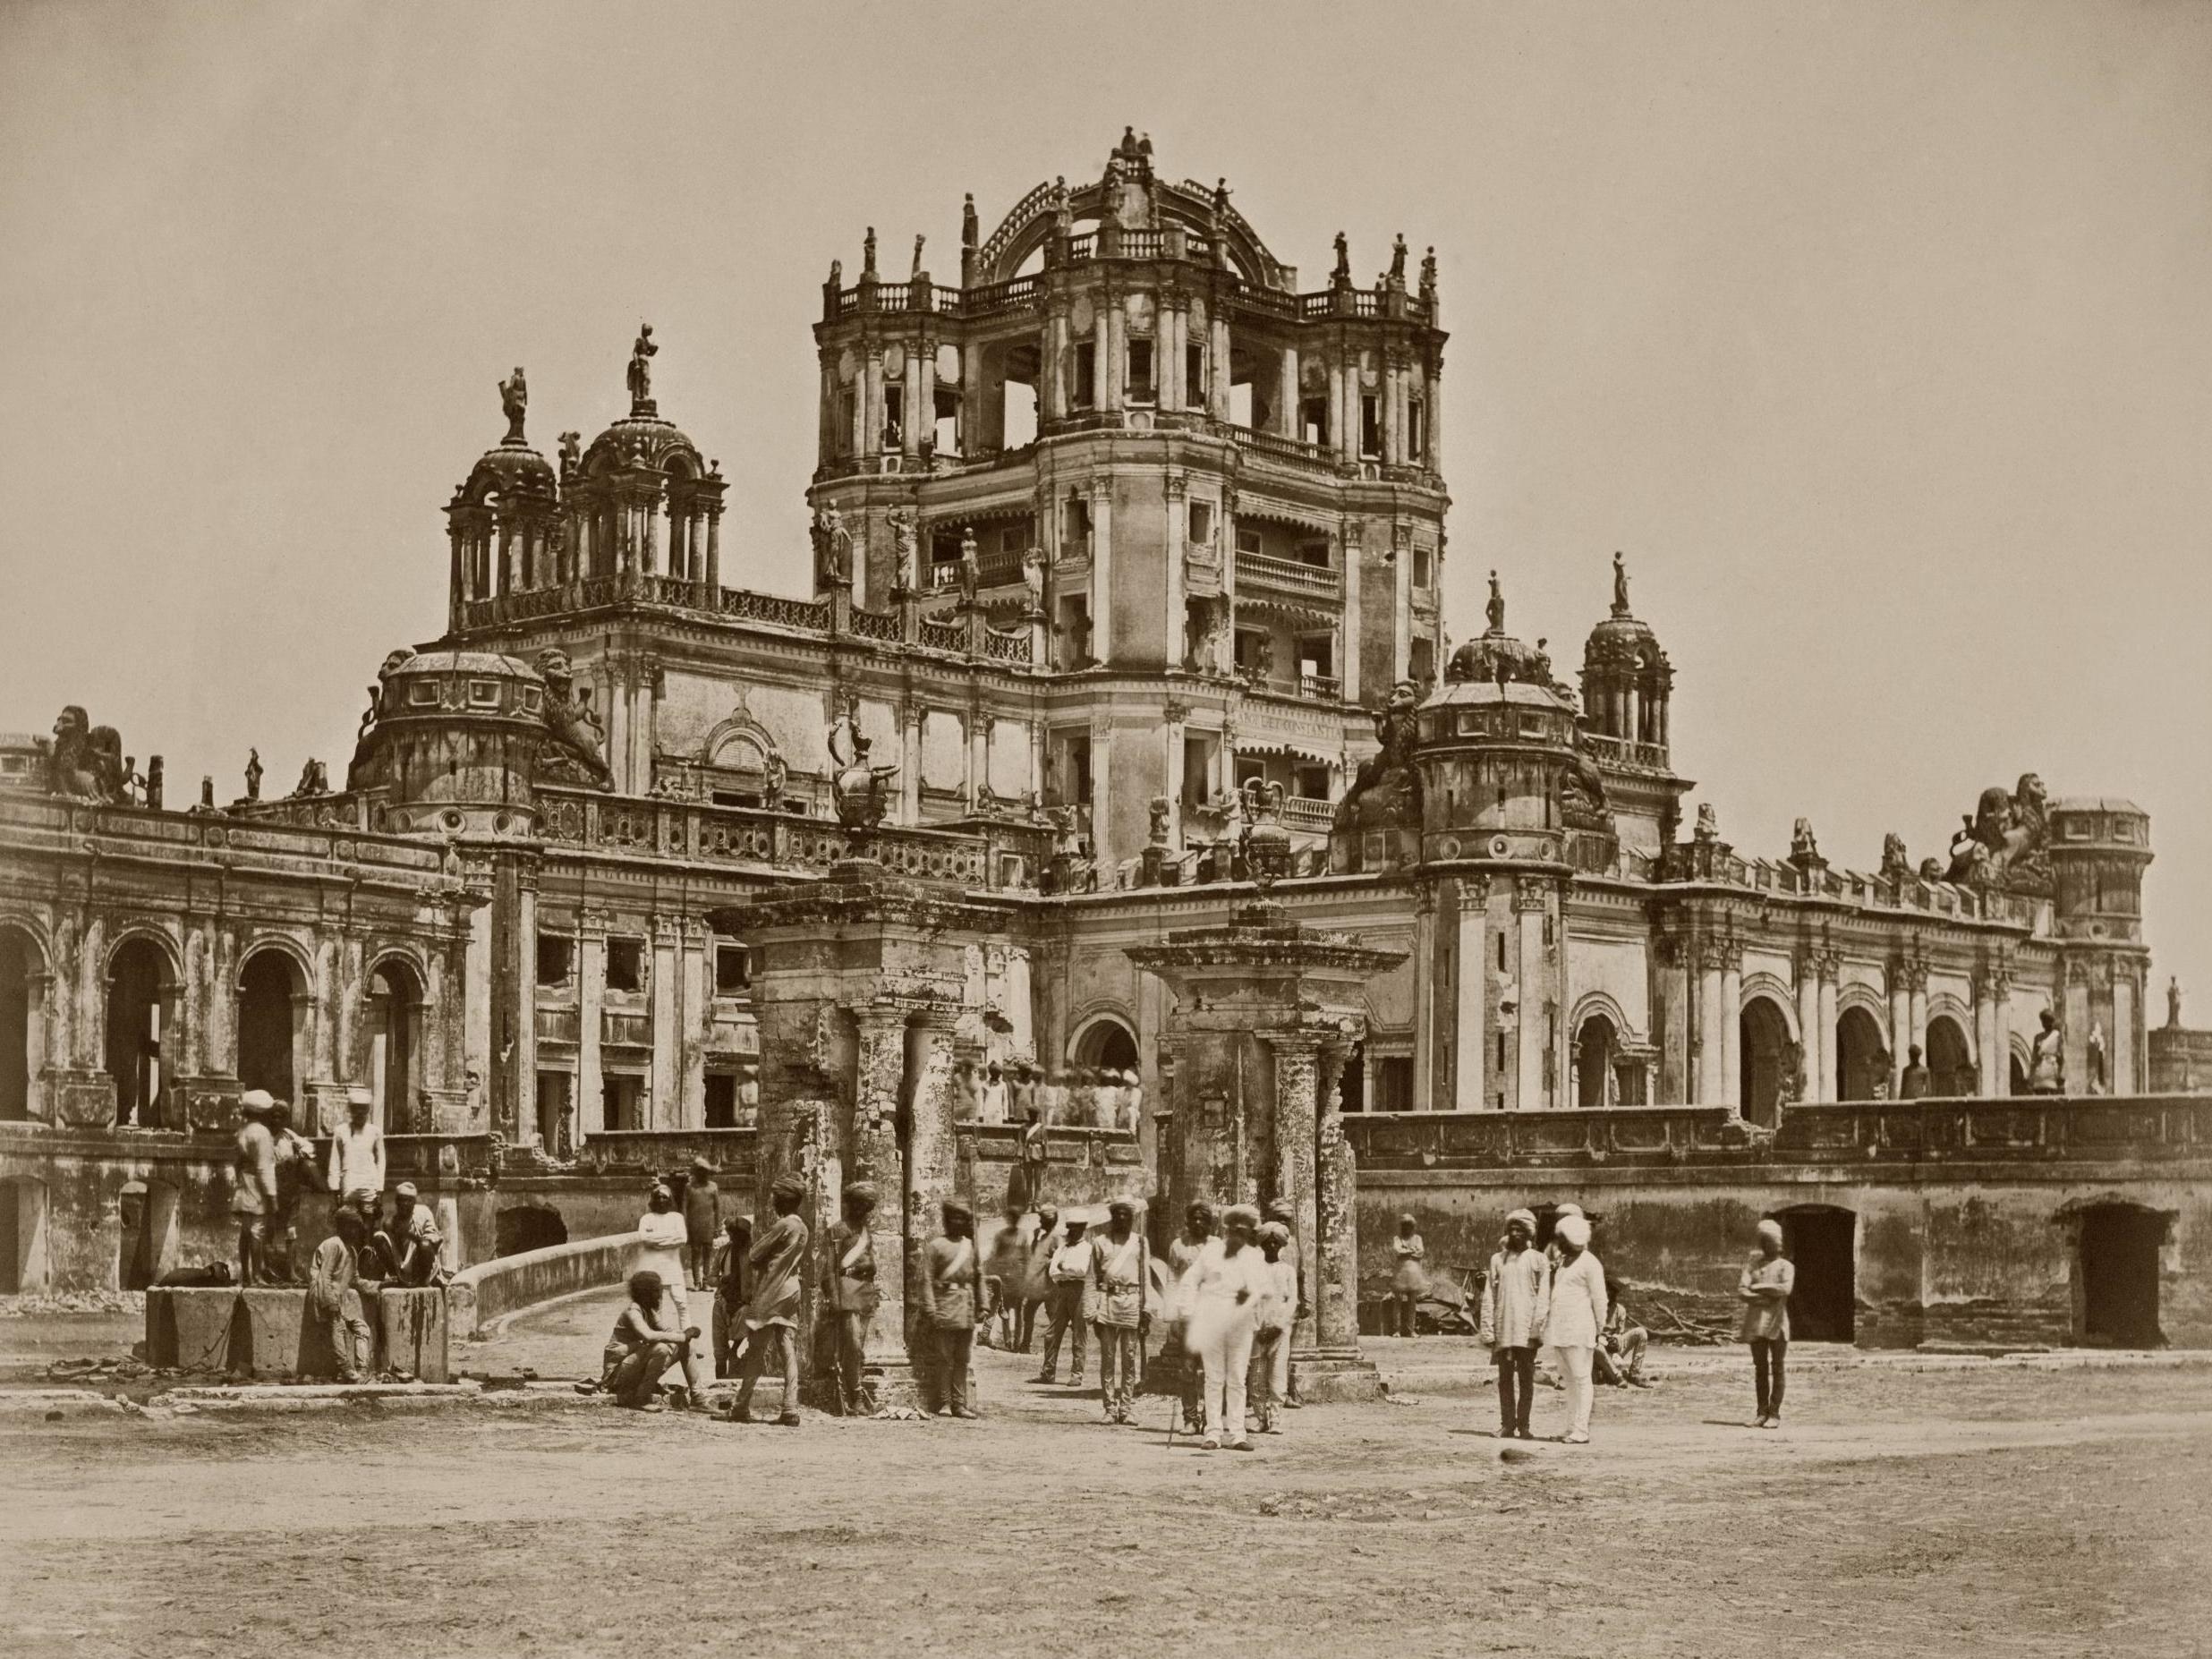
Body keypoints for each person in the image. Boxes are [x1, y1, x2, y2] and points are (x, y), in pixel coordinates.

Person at [1181, 1203, 1271, 1451]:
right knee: (1213, 1378)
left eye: (1244, 1232)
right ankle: (1212, 1433)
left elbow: (1265, 1289)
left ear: (1249, 1233)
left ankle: (1238, 1434)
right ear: (1227, 1230)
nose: (1238, 1236)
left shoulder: (1255, 1256)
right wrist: (1189, 1313)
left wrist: (1252, 1295)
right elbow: (1190, 1281)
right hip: (1212, 1320)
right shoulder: (1211, 1252)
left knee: (1237, 1379)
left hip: (1240, 1323)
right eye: (1234, 1230)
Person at [733, 1174, 810, 1425]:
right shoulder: (803, 1228)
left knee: (755, 1350)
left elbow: (755, 1254)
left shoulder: (784, 1225)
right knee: (787, 1349)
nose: (773, 1200)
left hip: (772, 1290)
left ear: (783, 1200)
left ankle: (740, 1407)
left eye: (776, 1196)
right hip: (792, 1290)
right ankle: (790, 1407)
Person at [1479, 1208, 1549, 1440]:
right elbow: (1489, 1295)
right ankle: (1507, 1424)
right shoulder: (1497, 1260)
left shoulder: (1539, 1260)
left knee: (1526, 1380)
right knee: (1505, 1380)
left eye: (1520, 1229)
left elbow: (1543, 1298)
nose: (1516, 1233)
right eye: (1512, 1229)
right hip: (1504, 1329)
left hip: (1527, 1330)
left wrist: (1537, 1328)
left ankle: (1524, 1426)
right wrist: (1489, 1330)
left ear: (1528, 1232)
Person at [917, 1199, 983, 1418]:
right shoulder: (935, 1246)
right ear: (947, 1221)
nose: (957, 1222)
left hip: (966, 1306)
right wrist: (931, 1308)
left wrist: (983, 1304)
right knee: (944, 1358)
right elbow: (926, 1279)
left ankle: (960, 1403)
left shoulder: (970, 1246)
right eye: (953, 1218)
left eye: (961, 1219)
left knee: (963, 1358)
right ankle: (945, 1402)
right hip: (944, 1305)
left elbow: (978, 1276)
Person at [1544, 1213, 1607, 1444]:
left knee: (1581, 1380)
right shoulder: (1562, 1262)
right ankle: (1570, 1427)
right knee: (1568, 1380)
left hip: (1580, 1330)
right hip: (1560, 1331)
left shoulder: (1590, 1263)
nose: (1557, 1242)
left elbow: (1600, 1300)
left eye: (1561, 1238)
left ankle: (1581, 1430)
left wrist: (1602, 1329)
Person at [599, 1270, 698, 1411]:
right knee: (660, 1349)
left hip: (633, 1367)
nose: (660, 1296)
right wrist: (682, 1336)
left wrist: (687, 1335)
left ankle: (698, 1397)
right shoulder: (632, 1312)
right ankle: (642, 1399)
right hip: (616, 1376)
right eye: (657, 1291)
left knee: (686, 1346)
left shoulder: (648, 1311)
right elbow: (648, 1336)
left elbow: (667, 1331)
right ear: (647, 1293)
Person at [821, 1181, 880, 1417]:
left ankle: (854, 1390)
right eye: (858, 1205)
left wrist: (870, 1266)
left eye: (866, 1207)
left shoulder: (866, 1232)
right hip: (846, 1291)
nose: (862, 1210)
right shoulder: (838, 1230)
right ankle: (854, 1395)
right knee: (852, 1344)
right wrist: (834, 1298)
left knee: (857, 1348)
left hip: (864, 1292)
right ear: (850, 1204)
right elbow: (829, 1268)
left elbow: (872, 1262)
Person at [1090, 1199, 1149, 1424]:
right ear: (1112, 1217)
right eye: (1118, 1214)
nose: (1122, 1219)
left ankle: (1126, 1407)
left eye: (1127, 1215)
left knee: (1129, 1357)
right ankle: (1109, 1407)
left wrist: (1146, 1310)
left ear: (1132, 1218)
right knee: (1108, 1357)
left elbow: (1144, 1278)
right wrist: (1092, 1310)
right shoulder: (1099, 1242)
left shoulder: (1141, 1243)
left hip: (1132, 1302)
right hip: (1106, 1301)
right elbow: (1091, 1278)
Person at [306, 1210, 375, 1382]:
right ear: (341, 1227)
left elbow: (357, 1280)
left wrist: (381, 1286)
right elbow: (324, 1276)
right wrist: (330, 1302)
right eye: (349, 1227)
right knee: (339, 1327)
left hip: (341, 1298)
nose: (354, 1232)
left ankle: (362, 1369)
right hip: (324, 1293)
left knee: (362, 1329)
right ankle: (346, 1369)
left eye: (356, 1228)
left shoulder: (351, 1250)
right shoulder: (334, 1244)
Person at [1740, 1219, 1795, 1428]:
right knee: (1760, 1369)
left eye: (1779, 1240)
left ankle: (1775, 1414)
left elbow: (1785, 1289)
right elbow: (1741, 1290)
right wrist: (1763, 1296)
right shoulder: (1753, 1265)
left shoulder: (1786, 1267)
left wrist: (1759, 1287)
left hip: (1777, 1324)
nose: (1777, 1245)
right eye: (1773, 1241)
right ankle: (1761, 1412)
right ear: (1764, 1243)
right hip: (1756, 1324)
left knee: (1778, 1367)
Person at [1167, 1201, 1217, 1434]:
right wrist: (1172, 1316)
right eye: (1194, 1218)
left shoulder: (1218, 1246)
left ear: (1210, 1224)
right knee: (1187, 1368)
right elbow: (1171, 1280)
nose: (1198, 1223)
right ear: (1187, 1221)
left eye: (1203, 1219)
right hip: (1187, 1315)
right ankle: (1190, 1418)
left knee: (1211, 1369)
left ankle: (1210, 1418)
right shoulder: (1178, 1246)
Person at [1247, 1221, 1296, 1434]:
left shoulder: (1287, 1270)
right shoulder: (1254, 1270)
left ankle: (1275, 1419)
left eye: (1276, 1242)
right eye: (1268, 1242)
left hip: (1280, 1331)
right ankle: (1260, 1418)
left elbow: (1292, 1301)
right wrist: (1257, 1327)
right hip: (1257, 1330)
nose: (1272, 1246)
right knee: (1256, 1378)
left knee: (1277, 1378)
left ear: (1281, 1245)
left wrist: (1279, 1326)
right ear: (1262, 1244)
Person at [266, 1102, 319, 1286]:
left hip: (290, 1191)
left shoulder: (288, 1135)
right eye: (274, 1115)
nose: (277, 1119)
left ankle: (291, 1271)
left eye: (281, 1116)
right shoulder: (264, 1138)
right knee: (269, 1230)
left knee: (291, 1231)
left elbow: (309, 1148)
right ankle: (268, 1271)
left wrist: (299, 1156)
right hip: (270, 1190)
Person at [231, 1091, 280, 1286]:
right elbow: (264, 1167)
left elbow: (236, 1163)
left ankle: (246, 1274)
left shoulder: (241, 1131)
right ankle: (257, 1275)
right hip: (257, 1186)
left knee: (245, 1231)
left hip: (243, 1182)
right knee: (257, 1230)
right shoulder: (262, 1133)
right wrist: (272, 1196)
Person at [1036, 1217, 1093, 1386]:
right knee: (1052, 1333)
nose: (1071, 1232)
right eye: (1070, 1228)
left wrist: (1064, 1268)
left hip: (1079, 1291)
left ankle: (1077, 1374)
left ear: (1082, 1228)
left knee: (1078, 1334)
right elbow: (1053, 1271)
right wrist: (1065, 1270)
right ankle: (1048, 1373)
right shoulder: (1062, 1248)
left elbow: (1083, 1270)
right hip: (1061, 1290)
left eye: (1075, 1228)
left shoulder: (1088, 1248)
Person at [1261, 1197, 1305, 1408]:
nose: (1285, 1223)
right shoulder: (1265, 1245)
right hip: (1268, 1305)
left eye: (1288, 1220)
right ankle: (1263, 1397)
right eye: (1280, 1219)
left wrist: (1304, 1301)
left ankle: (1284, 1392)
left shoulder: (1293, 1243)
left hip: (1288, 1302)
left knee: (1285, 1352)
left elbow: (1300, 1273)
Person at [372, 1181, 449, 1287]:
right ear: (397, 1202)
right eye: (402, 1200)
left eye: (409, 1201)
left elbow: (433, 1244)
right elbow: (389, 1249)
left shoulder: (423, 1214)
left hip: (418, 1264)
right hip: (399, 1265)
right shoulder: (391, 1221)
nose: (405, 1204)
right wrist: (392, 1233)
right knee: (378, 1238)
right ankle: (396, 1278)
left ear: (414, 1203)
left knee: (425, 1245)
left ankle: (423, 1282)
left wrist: (409, 1235)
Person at [326, 1086, 386, 1220]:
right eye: (355, 1109)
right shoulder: (341, 1131)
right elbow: (335, 1161)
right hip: (348, 1184)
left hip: (369, 1184)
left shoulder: (375, 1132)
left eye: (363, 1109)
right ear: (350, 1110)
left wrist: (380, 1190)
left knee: (368, 1223)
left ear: (368, 1110)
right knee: (347, 1222)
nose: (359, 1113)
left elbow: (381, 1162)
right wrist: (335, 1189)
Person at [710, 1214, 753, 1379]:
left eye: (738, 1234)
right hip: (723, 1303)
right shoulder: (723, 1251)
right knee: (719, 1352)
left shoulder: (753, 1253)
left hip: (744, 1305)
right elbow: (711, 1279)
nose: (734, 1238)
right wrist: (722, 1280)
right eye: (731, 1234)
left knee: (741, 1344)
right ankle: (719, 1382)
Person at [1017, 1204, 1061, 1353]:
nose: (1040, 1222)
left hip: (1049, 1285)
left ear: (1051, 1221)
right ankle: (1025, 1344)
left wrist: (1048, 1263)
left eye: (1043, 1219)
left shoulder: (1056, 1237)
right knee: (1028, 1313)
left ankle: (1053, 1346)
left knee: (1053, 1316)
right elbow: (1034, 1254)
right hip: (1036, 1284)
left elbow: (1059, 1259)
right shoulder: (1040, 1236)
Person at [1595, 1277, 1652, 1388]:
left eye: (1612, 1292)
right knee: (1596, 1346)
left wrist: (1615, 1340)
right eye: (1606, 1291)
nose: (1609, 1294)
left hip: (1613, 1348)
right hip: (1597, 1350)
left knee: (1641, 1332)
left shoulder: (1620, 1310)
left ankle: (1634, 1374)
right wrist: (1601, 1340)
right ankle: (1617, 1377)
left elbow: (1619, 1333)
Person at [982, 1209, 1027, 1347]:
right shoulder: (1000, 1235)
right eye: (1011, 1218)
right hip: (1004, 1279)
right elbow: (994, 1255)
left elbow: (1026, 1257)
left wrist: (1025, 1277)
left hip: (1018, 1279)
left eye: (1016, 1218)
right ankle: (1008, 1340)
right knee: (1004, 1310)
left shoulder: (1023, 1235)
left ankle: (1017, 1341)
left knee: (1019, 1312)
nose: (1013, 1221)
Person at [683, 1160, 720, 1290]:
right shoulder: (689, 1187)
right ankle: (697, 1282)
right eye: (700, 1171)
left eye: (705, 1172)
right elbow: (685, 1209)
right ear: (696, 1172)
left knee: (708, 1255)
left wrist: (717, 1226)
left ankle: (706, 1282)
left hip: (708, 1224)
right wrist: (685, 1228)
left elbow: (717, 1208)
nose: (702, 1174)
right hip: (694, 1225)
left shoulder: (713, 1187)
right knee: (696, 1253)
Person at [1389, 1213, 1427, 1337]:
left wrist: (1407, 1252)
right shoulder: (1397, 1238)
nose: (1407, 1229)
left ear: (1412, 1227)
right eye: (1405, 1226)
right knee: (1398, 1300)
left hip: (1414, 1274)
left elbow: (1420, 1252)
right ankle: (1397, 1330)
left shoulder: (1418, 1238)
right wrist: (1411, 1251)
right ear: (1402, 1227)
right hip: (1401, 1272)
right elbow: (1397, 1250)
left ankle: (1411, 1330)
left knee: (1412, 1302)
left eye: (1409, 1226)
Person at [1015, 1104, 1050, 1212]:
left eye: (1035, 1114)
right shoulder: (1024, 1127)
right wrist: (1020, 1156)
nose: (1033, 1116)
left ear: (1037, 1115)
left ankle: (1037, 1203)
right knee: (1029, 1180)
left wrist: (1046, 1157)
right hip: (1028, 1155)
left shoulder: (1042, 1128)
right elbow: (1020, 1142)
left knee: (1038, 1181)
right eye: (1031, 1114)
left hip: (1039, 1155)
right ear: (1029, 1115)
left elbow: (1046, 1143)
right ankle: (1029, 1204)